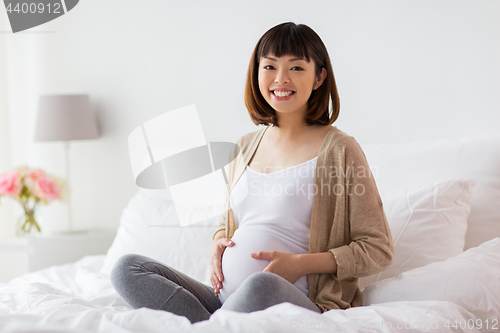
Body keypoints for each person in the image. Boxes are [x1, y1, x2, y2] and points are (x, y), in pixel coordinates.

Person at [110, 22, 394, 324]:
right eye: (270, 66)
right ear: (256, 73)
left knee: (261, 284)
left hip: (294, 300)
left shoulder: (340, 149)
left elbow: (378, 248)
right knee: (127, 268)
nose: (281, 79)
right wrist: (217, 240)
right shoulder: (245, 146)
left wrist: (299, 265)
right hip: (226, 300)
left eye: (296, 68)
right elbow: (231, 220)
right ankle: (221, 325)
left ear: (319, 76)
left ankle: (216, 325)